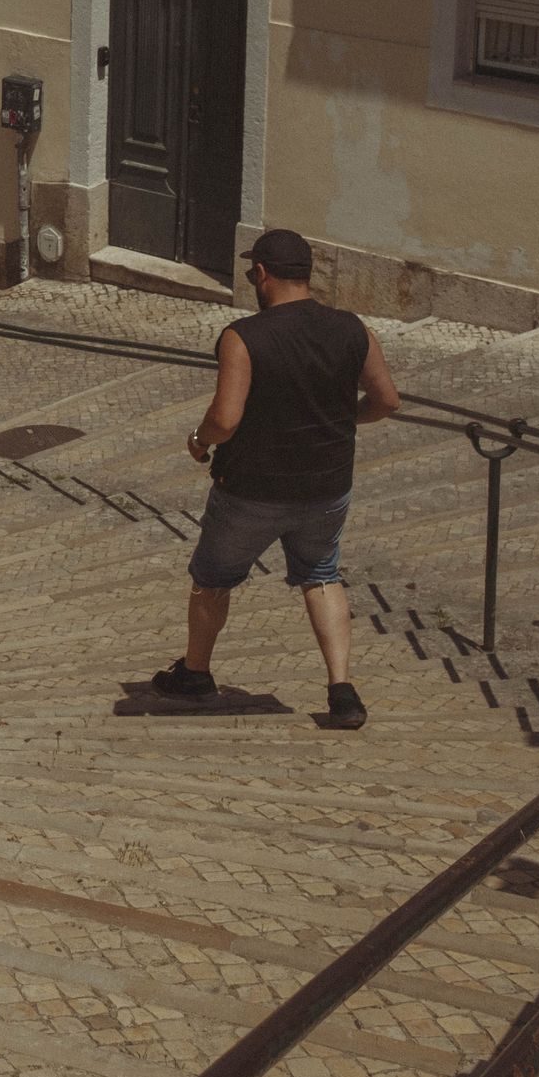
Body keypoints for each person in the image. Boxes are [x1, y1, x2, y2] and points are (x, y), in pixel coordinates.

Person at [152, 229, 401, 729]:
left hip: (251, 490)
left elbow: (225, 419)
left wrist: (199, 440)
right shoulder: (355, 330)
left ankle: (196, 673)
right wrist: (341, 421)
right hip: (326, 486)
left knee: (211, 580)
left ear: (261, 274)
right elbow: (387, 402)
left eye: (251, 274)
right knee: (322, 575)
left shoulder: (243, 336)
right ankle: (341, 689)